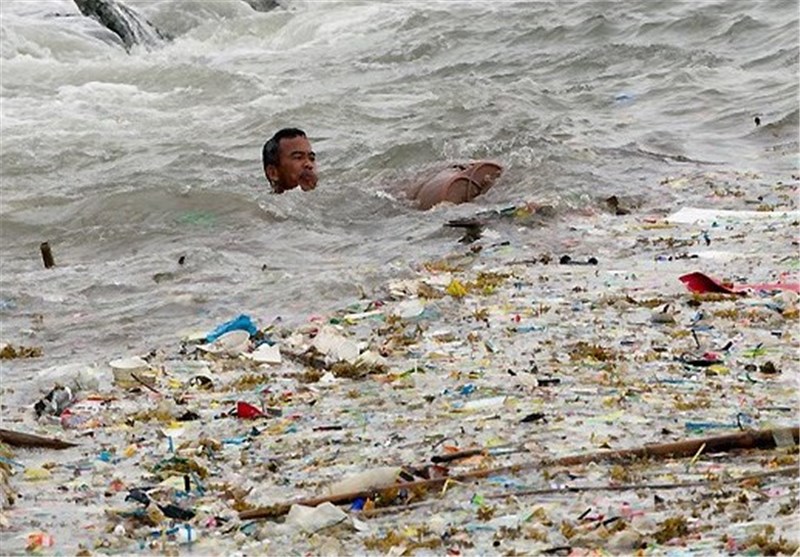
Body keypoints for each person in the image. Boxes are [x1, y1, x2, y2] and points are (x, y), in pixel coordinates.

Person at [262, 127, 503, 209]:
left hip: (370, 200)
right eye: (298, 157)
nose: (309, 164)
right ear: (273, 172)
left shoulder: (326, 193)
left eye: (311, 158)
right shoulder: (272, 209)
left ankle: (460, 172)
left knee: (400, 188)